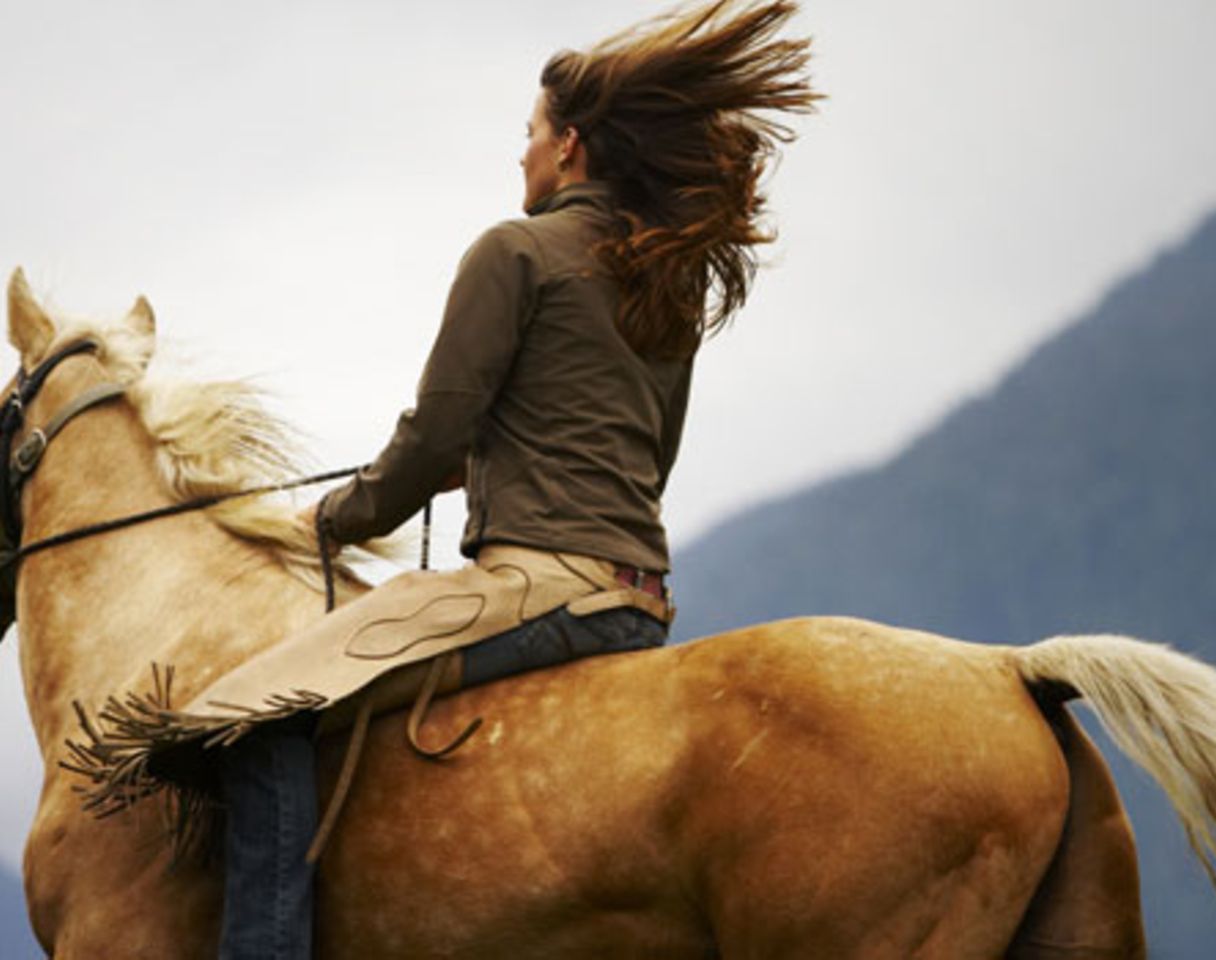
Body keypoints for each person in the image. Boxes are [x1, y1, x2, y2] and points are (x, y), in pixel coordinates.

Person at [215, 2, 820, 957]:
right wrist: (501, 458)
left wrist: (338, 516)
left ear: (570, 146)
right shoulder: (667, 277)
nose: (523, 154)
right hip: (641, 597)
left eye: (530, 133)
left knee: (253, 716)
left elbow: (434, 432)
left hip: (536, 589)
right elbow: (647, 453)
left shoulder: (514, 249)